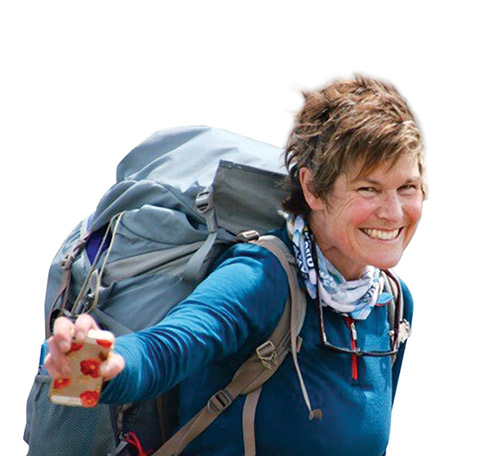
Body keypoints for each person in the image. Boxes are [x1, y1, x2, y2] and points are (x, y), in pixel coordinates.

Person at [45, 74, 425, 455]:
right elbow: (169, 347)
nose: (393, 213)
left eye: (407, 187)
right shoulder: (263, 276)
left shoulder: (391, 305)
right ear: (312, 188)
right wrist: (100, 364)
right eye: (368, 189)